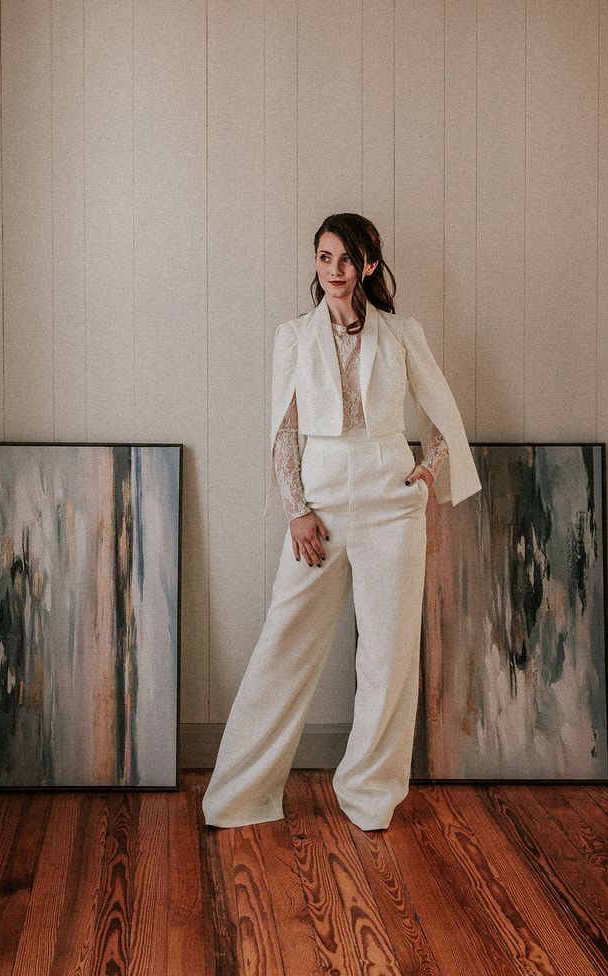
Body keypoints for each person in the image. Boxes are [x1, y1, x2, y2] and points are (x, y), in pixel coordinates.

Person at [202, 212, 481, 831]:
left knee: (388, 654)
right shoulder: (293, 337)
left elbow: (443, 415)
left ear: (368, 267)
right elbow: (283, 431)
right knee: (285, 642)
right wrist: (297, 510)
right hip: (321, 504)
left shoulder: (402, 332)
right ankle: (240, 795)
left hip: (390, 500)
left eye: (346, 260)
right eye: (324, 258)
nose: (333, 271)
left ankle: (370, 794)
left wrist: (428, 472)